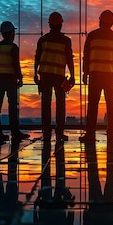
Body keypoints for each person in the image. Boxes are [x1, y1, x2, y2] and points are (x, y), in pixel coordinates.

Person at [81, 9, 113, 143]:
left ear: (100, 21)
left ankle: (90, 134)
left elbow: (86, 56)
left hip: (95, 74)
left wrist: (85, 73)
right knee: (111, 105)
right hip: (110, 76)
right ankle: (111, 132)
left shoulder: (92, 36)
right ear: (112, 23)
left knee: (93, 105)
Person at [34, 12, 75, 141]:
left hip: (45, 75)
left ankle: (46, 133)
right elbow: (69, 60)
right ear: (60, 24)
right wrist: (73, 75)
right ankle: (59, 133)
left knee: (46, 105)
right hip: (59, 76)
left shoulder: (43, 39)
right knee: (60, 105)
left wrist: (35, 74)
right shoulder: (65, 40)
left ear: (50, 25)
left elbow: (37, 58)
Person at [0, 21, 29, 142]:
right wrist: (20, 77)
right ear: (11, 33)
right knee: (13, 106)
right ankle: (15, 132)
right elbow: (16, 64)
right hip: (10, 79)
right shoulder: (13, 47)